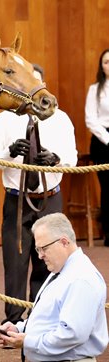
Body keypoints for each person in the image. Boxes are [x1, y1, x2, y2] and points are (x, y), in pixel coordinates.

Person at [0, 64, 78, 325]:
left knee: (48, 262)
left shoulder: (62, 118)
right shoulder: (3, 120)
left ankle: (41, 319)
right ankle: (12, 320)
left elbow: (72, 159)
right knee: (14, 263)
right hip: (16, 199)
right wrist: (9, 153)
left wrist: (56, 159)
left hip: (50, 198)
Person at [0, 212, 108, 362]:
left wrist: (27, 341)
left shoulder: (80, 279)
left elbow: (71, 334)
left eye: (43, 249)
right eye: (38, 250)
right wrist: (18, 329)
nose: (40, 256)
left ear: (64, 242)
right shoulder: (63, 271)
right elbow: (48, 317)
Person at [85, 49, 109, 247]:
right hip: (103, 142)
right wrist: (108, 139)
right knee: (107, 188)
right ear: (101, 66)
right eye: (106, 62)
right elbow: (90, 119)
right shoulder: (95, 89)